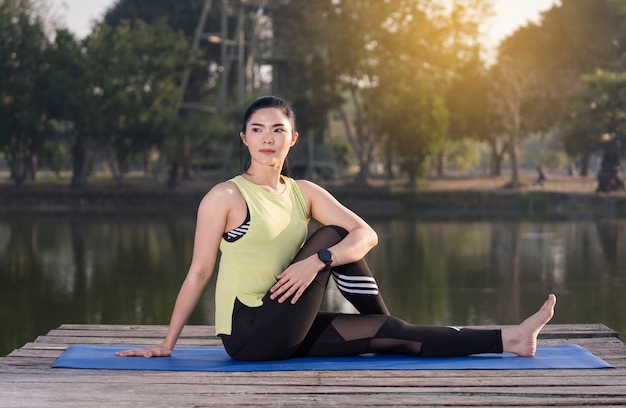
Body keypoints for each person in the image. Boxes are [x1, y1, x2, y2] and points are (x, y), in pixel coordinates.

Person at [117, 95, 556, 362]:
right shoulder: (225, 197)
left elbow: (367, 234)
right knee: (330, 235)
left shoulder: (304, 191)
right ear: (245, 139)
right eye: (257, 130)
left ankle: (512, 339)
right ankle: (384, 318)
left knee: (390, 332)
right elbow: (198, 271)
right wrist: (166, 344)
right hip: (249, 331)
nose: (267, 138)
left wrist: (317, 264)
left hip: (287, 323)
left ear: (293, 139)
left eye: (277, 130)